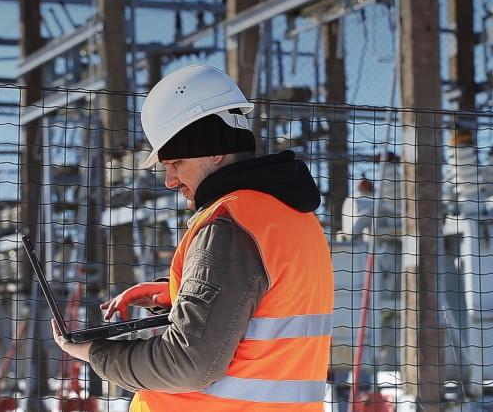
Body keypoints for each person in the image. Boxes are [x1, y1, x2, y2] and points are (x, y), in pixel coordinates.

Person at [51, 64, 334, 412]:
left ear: (215, 150)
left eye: (177, 162)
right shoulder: (292, 216)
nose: (169, 180)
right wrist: (171, 294)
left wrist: (96, 354)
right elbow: (261, 307)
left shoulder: (230, 224)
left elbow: (187, 362)